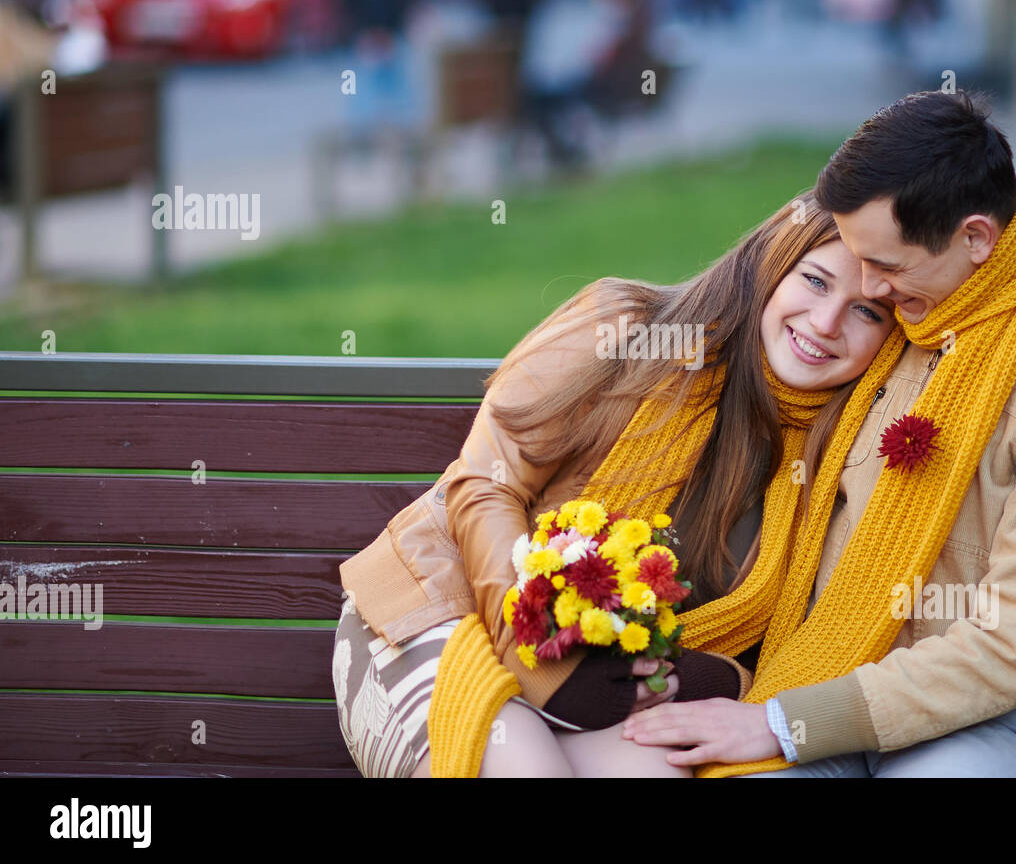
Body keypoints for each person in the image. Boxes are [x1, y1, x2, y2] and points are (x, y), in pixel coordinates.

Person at [621, 90, 1016, 778]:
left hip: (979, 727)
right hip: (813, 679)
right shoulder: (901, 327)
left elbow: (1012, 644)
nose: (869, 287)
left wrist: (787, 721)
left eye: (889, 267)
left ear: (976, 241)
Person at [333, 191, 896, 777]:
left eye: (868, 311)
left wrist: (703, 678)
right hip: (443, 613)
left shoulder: (840, 457)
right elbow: (484, 485)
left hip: (608, 689)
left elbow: (772, 644)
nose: (826, 323)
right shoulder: (624, 327)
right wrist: (541, 663)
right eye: (816, 280)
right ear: (773, 264)